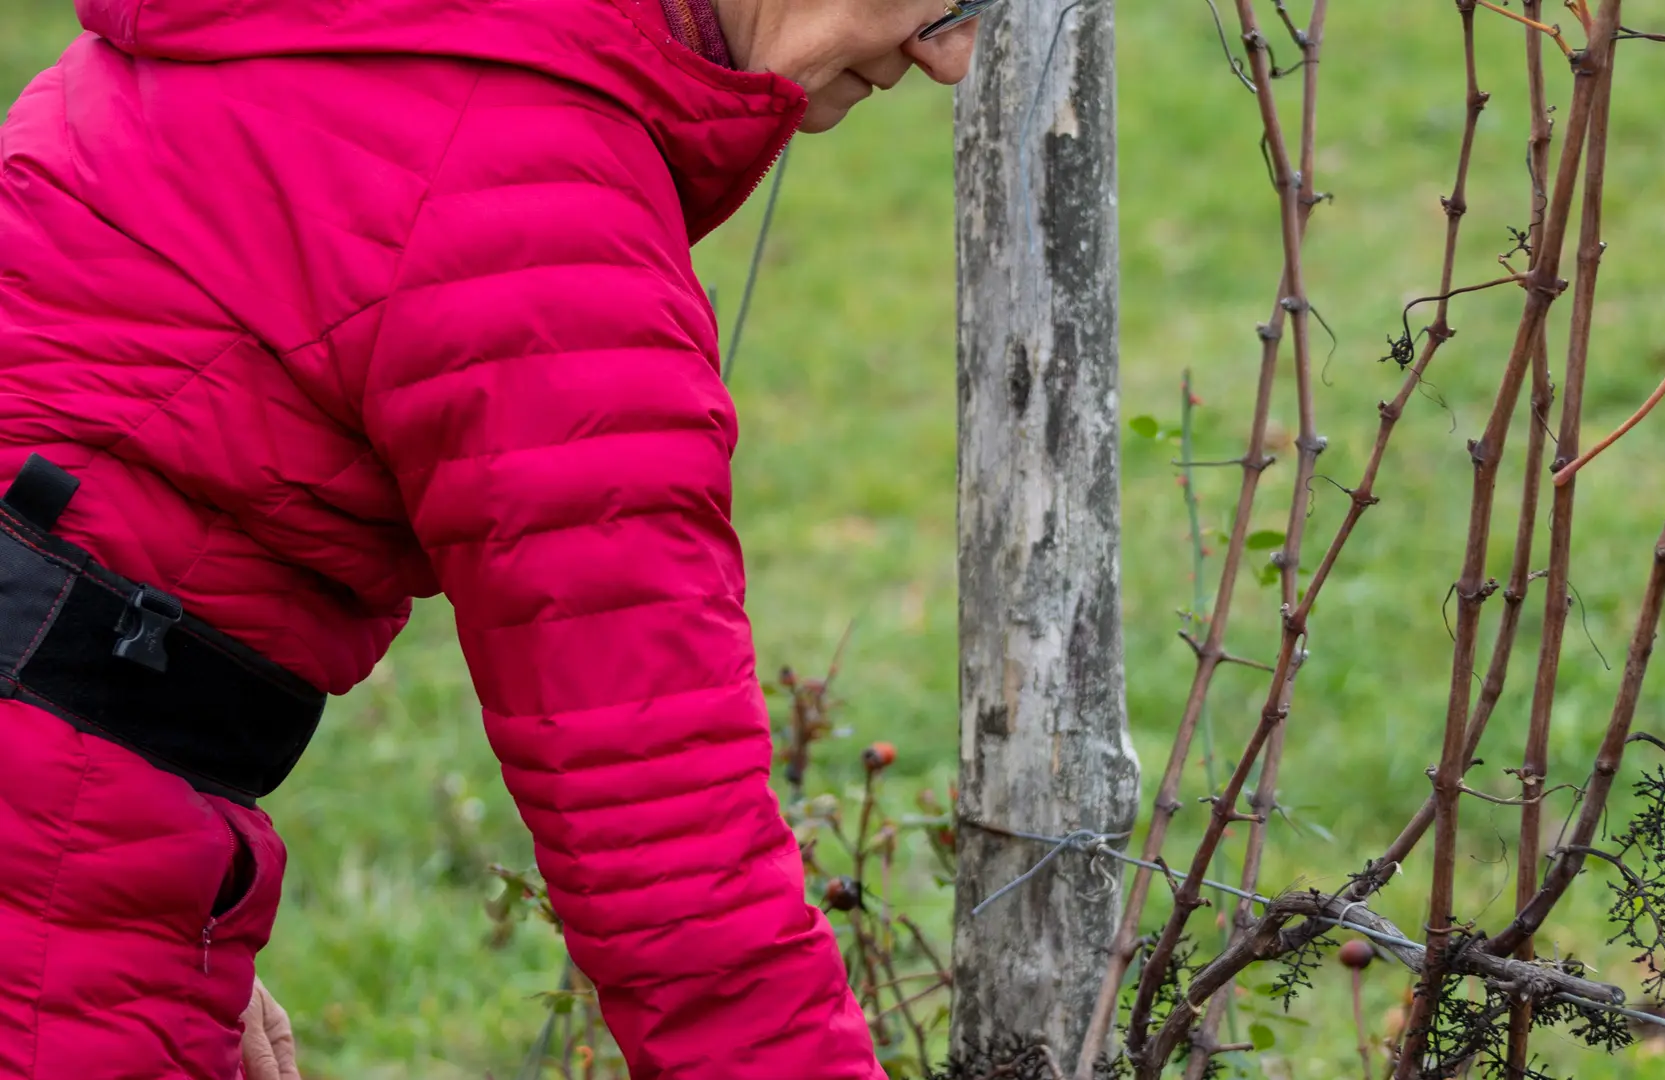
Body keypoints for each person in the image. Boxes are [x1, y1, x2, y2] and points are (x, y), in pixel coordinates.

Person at [0, 0, 982, 1072]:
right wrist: (64, 891)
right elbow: (667, 835)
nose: (951, 56)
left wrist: (120, 875)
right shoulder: (539, 204)